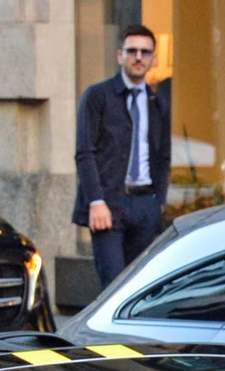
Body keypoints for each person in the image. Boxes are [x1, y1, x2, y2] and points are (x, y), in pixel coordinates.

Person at [73, 24, 171, 289]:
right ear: (120, 56)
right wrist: (95, 201)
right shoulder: (98, 96)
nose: (138, 57)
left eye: (145, 52)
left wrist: (158, 202)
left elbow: (162, 157)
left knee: (140, 287)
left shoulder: (158, 104)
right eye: (132, 51)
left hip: (144, 205)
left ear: (153, 59)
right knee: (114, 287)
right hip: (108, 205)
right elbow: (84, 152)